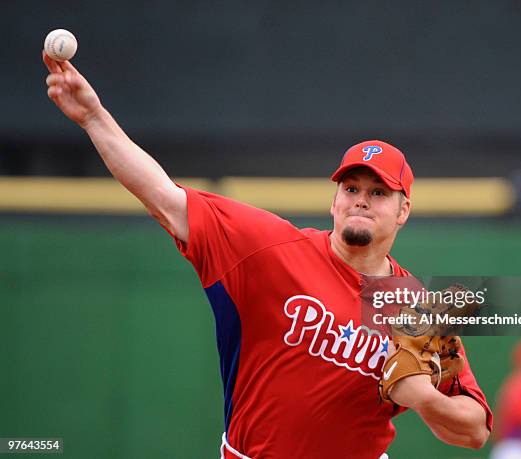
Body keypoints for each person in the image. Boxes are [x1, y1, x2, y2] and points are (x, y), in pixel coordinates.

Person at [43, 51, 492, 458]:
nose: (361, 200)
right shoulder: (268, 248)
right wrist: (93, 116)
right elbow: (163, 196)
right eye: (350, 188)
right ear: (334, 200)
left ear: (403, 210)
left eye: (378, 192)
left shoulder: (418, 309)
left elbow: (474, 431)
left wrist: (425, 400)